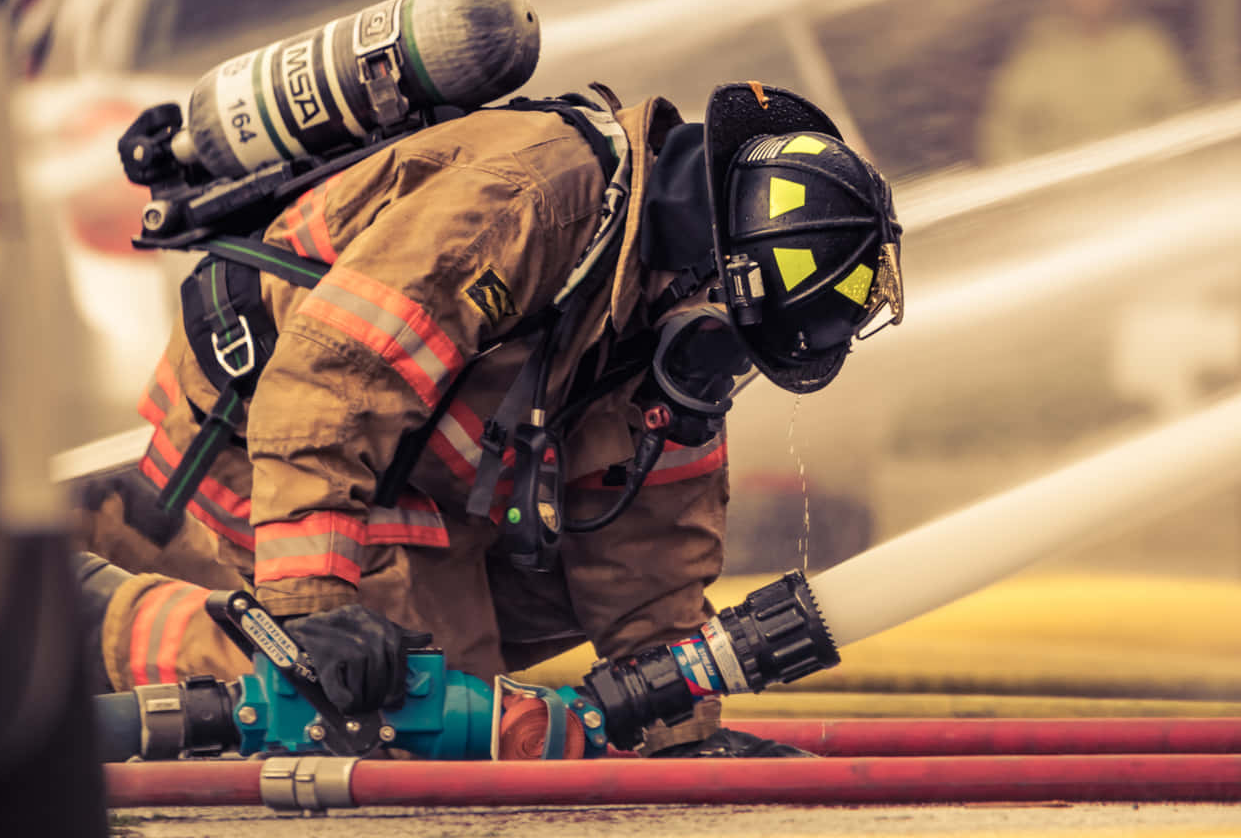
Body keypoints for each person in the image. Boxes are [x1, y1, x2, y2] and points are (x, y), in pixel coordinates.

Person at [79, 81, 902, 757]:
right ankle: (106, 621)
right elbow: (326, 388)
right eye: (733, 343)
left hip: (420, 472)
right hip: (258, 431)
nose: (723, 370)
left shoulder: (661, 297)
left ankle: (331, 637)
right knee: (412, 721)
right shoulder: (523, 208)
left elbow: (650, 539)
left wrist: (679, 731)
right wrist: (315, 616)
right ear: (719, 278)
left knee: (463, 687)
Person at [977, 0, 1198, 165]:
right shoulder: (1038, 56)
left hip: (1143, 185)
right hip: (1063, 190)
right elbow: (999, 135)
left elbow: (1184, 119)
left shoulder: (1147, 47)